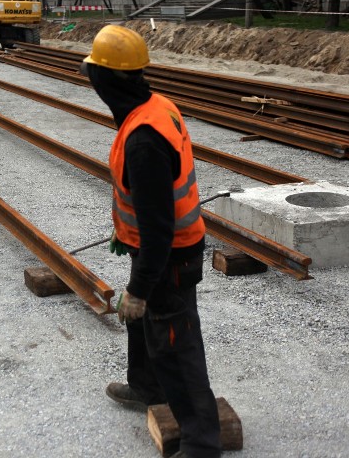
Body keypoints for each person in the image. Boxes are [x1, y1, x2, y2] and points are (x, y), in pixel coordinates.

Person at [82, 25, 221, 458]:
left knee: (176, 344)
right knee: (145, 325)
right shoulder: (154, 105)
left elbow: (159, 229)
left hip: (170, 255)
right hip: (160, 247)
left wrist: (140, 288)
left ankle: (202, 442)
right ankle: (146, 387)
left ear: (106, 82)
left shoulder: (143, 141)